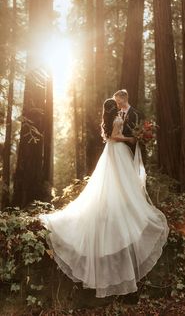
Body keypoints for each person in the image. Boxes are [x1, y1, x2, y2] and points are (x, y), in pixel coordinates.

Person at [38, 98, 169, 298]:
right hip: (117, 150)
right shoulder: (116, 118)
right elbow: (116, 137)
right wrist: (130, 139)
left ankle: (118, 202)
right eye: (115, 105)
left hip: (112, 152)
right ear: (113, 108)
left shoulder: (108, 119)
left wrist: (134, 135)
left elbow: (112, 135)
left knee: (116, 181)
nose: (118, 106)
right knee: (120, 181)